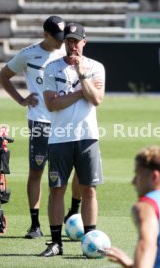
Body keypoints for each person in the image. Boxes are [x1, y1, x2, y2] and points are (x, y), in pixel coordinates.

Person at [0, 15, 68, 239]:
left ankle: (65, 219)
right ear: (45, 34)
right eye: (57, 37)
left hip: (64, 122)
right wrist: (20, 100)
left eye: (63, 37)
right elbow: (3, 76)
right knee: (37, 170)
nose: (61, 41)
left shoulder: (67, 53)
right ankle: (35, 225)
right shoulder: (29, 54)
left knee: (59, 175)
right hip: (39, 121)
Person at [39, 22, 105, 257]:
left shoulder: (96, 68)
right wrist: (80, 93)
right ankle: (55, 243)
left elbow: (96, 99)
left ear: (84, 42)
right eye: (68, 41)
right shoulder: (51, 68)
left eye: (76, 41)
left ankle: (91, 239)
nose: (72, 45)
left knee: (89, 191)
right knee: (57, 190)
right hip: (59, 139)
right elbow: (51, 104)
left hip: (88, 137)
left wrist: (81, 74)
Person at [103, 145, 160, 268]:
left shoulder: (147, 207)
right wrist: (130, 264)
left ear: (154, 177)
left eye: (138, 174)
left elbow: (147, 246)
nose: (134, 182)